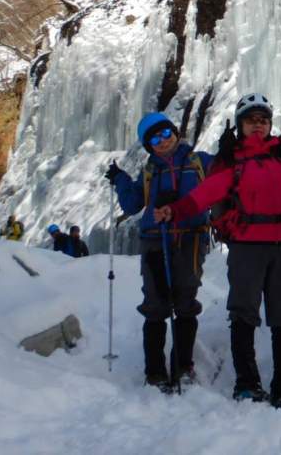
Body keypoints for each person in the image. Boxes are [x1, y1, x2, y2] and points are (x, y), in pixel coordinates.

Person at [155, 56, 281, 407]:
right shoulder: (231, 165)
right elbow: (202, 197)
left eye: (263, 120)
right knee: (244, 315)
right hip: (247, 248)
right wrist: (174, 210)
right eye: (251, 121)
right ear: (240, 125)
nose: (258, 126)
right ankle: (247, 383)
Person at [106, 113, 213, 390]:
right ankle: (154, 371)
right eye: (154, 138)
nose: (162, 141)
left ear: (175, 133)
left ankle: (183, 366)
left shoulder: (199, 161)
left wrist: (229, 148)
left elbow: (226, 175)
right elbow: (131, 205)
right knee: (156, 304)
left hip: (190, 238)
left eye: (166, 134)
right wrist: (119, 179)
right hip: (154, 239)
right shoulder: (149, 171)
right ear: (148, 146)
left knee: (186, 300)